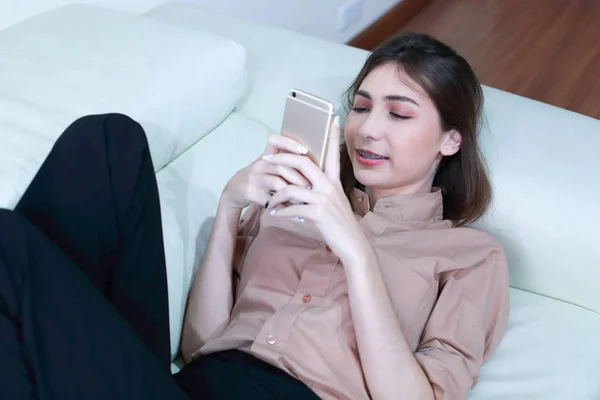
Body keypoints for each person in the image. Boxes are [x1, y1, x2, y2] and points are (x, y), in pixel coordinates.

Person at [0, 32, 509, 400]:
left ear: (451, 139)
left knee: (8, 243)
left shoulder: (470, 256)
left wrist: (354, 249)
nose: (368, 130)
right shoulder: (287, 205)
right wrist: (229, 208)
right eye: (360, 107)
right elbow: (200, 346)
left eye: (398, 114)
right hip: (177, 384)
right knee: (108, 141)